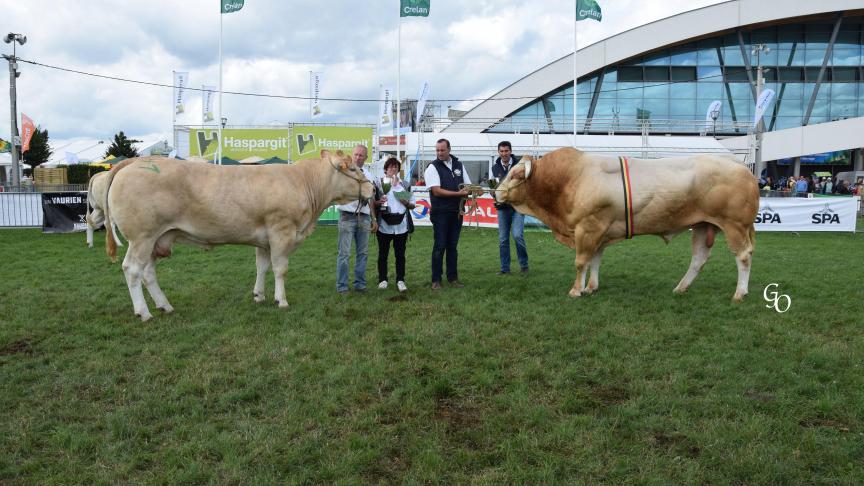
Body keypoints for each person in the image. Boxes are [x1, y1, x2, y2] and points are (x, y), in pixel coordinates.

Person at [424, 138, 470, 290]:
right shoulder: (432, 167)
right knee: (440, 246)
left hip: (456, 212)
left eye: (442, 150)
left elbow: (467, 185)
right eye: (437, 150)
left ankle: (453, 278)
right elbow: (436, 191)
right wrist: (458, 194)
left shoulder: (459, 165)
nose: (439, 153)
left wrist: (473, 191)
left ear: (449, 149)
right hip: (440, 213)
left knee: (452, 246)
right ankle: (436, 280)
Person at [336, 144, 377, 294]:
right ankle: (342, 286)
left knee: (363, 253)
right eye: (356, 154)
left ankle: (360, 284)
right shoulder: (345, 172)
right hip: (347, 215)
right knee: (344, 253)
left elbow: (372, 199)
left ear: (366, 158)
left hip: (364, 217)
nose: (358, 157)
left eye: (361, 155)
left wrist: (374, 219)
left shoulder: (369, 175)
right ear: (352, 155)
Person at [374, 157, 414, 292]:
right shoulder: (379, 184)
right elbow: (373, 203)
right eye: (390, 167)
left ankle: (400, 280)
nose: (393, 169)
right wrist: (378, 202)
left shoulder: (405, 184)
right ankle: (383, 279)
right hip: (384, 225)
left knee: (400, 255)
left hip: (401, 226)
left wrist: (404, 200)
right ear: (385, 169)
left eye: (395, 167)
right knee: (382, 254)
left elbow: (412, 204)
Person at [491, 141, 529, 274]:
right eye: (501, 151)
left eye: (506, 151)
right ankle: (504, 269)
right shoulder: (494, 168)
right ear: (498, 152)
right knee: (503, 239)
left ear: (511, 151)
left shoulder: (519, 166)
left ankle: (524, 265)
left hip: (518, 206)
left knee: (518, 235)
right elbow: (494, 187)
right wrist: (493, 193)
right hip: (502, 207)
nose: (504, 153)